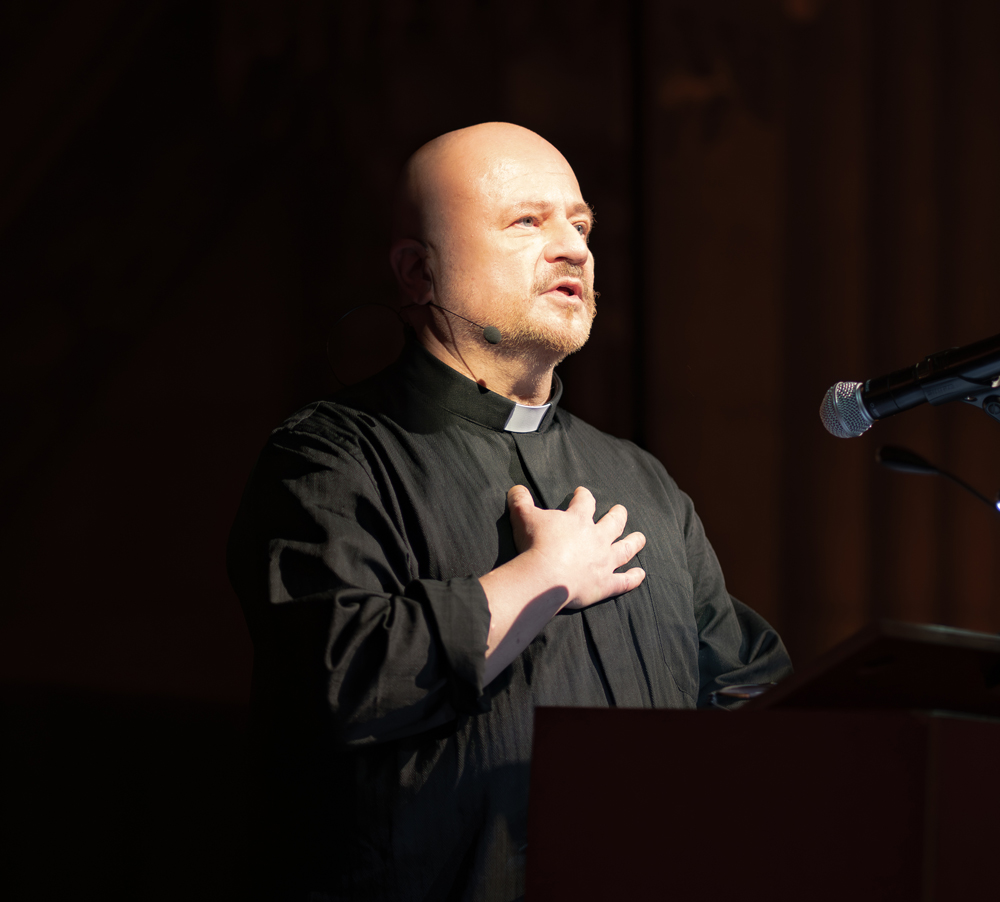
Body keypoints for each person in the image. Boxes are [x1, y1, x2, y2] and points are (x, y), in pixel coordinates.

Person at [227, 122, 792, 902]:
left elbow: (750, 694)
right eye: (528, 222)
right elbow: (339, 680)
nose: (574, 249)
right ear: (419, 272)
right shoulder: (329, 458)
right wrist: (537, 581)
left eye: (581, 223)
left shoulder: (640, 480)